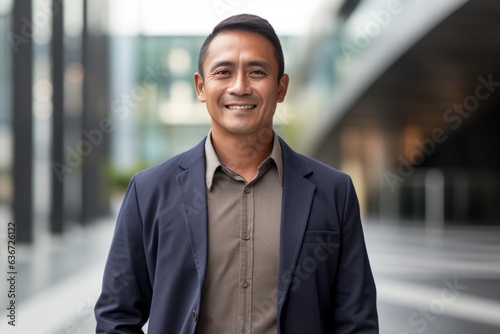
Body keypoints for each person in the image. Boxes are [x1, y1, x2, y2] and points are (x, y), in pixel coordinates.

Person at [95, 13, 378, 334]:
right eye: (223, 72)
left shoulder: (333, 191)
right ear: (201, 87)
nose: (240, 86)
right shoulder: (149, 191)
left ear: (281, 87)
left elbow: (357, 321)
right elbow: (116, 317)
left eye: (257, 72)